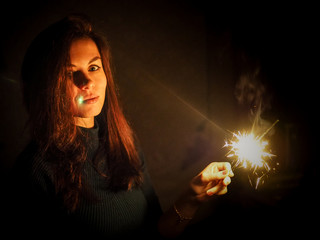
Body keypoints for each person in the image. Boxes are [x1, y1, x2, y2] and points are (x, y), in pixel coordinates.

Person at [8, 14, 234, 239]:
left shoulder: (122, 142)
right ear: (46, 87)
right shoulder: (35, 172)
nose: (86, 82)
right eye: (69, 73)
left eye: (94, 67)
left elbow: (156, 232)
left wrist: (191, 197)